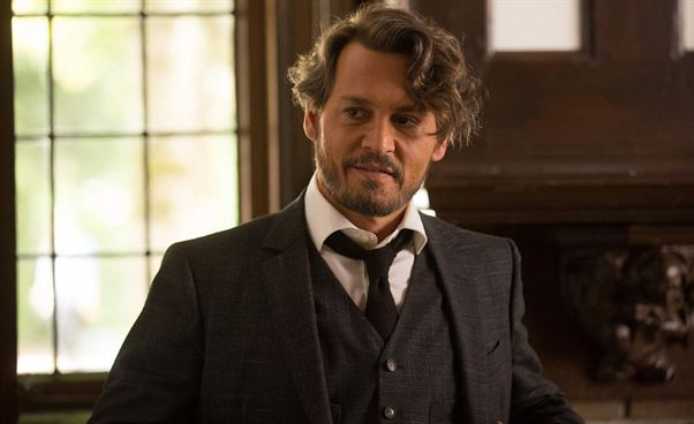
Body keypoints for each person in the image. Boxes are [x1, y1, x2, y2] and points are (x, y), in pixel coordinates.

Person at [90, 5, 583, 424]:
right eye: (355, 113)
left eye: (406, 120)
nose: (379, 142)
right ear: (313, 117)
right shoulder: (203, 278)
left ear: (441, 140)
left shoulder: (490, 267)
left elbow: (532, 406)